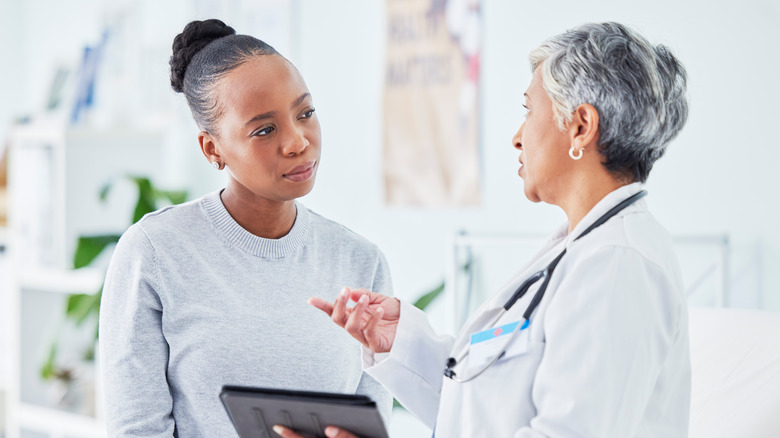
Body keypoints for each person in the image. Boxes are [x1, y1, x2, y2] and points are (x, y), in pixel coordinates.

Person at [274, 22, 690, 438]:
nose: (517, 137)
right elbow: (482, 410)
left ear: (580, 126)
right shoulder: (581, 250)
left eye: (529, 111)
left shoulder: (618, 264)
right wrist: (401, 341)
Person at [98, 19, 392, 436]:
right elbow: (136, 429)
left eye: (305, 113)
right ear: (212, 148)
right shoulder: (154, 252)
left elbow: (372, 424)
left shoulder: (361, 261)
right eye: (265, 129)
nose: (298, 141)